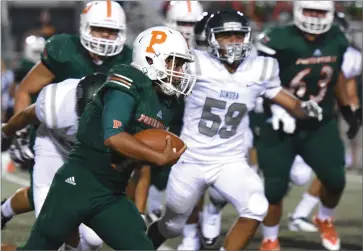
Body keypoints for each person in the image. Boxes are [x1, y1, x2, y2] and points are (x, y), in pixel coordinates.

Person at [1, 25, 195, 250]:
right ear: (151, 60)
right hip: (76, 184)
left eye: (182, 64)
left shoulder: (166, 100)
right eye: (175, 63)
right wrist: (8, 131)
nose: (180, 71)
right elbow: (113, 137)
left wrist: (140, 207)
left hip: (111, 193)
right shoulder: (126, 82)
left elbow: (140, 158)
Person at [146, 10, 323, 251]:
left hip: (229, 160)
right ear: (211, 39)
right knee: (172, 226)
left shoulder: (260, 68)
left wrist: (304, 109)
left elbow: (286, 99)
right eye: (226, 35)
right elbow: (157, 85)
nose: (233, 41)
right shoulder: (195, 64)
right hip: (191, 159)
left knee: (257, 206)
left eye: (238, 35)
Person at [2, 0, 132, 236]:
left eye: (111, 31)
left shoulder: (130, 61)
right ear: (84, 27)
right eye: (98, 29)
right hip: (56, 134)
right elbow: (25, 90)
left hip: (97, 143)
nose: (104, 37)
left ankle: (4, 210)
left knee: (81, 217)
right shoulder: (64, 49)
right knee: (51, 202)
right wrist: (19, 134)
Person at [254, 1, 359, 250]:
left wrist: (348, 110)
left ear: (330, 14)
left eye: (320, 12)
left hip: (319, 123)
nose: (314, 17)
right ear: (299, 10)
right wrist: (278, 107)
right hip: (279, 122)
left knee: (335, 179)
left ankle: (324, 217)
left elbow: (336, 76)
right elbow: (257, 78)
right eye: (310, 10)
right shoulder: (277, 38)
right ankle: (270, 239)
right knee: (274, 188)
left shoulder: (337, 38)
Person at [2, 73, 107, 249]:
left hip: (88, 159)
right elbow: (27, 115)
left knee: (94, 239)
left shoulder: (126, 115)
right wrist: (7, 133)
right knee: (52, 224)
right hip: (53, 147)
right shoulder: (57, 104)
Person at [288, 10, 362, 234]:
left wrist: (354, 113)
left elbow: (348, 88)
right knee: (295, 176)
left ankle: (301, 213)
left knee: (331, 167)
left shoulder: (351, 56)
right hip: (292, 117)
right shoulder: (294, 47)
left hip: (323, 121)